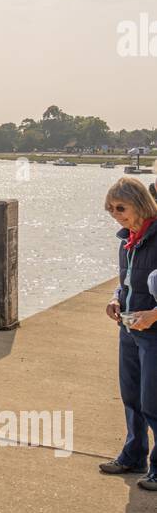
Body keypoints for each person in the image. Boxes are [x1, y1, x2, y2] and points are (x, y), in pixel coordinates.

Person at [101, 178, 157, 489]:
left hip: (153, 332)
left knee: (154, 401)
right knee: (132, 397)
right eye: (110, 209)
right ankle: (133, 455)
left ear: (139, 203)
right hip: (129, 329)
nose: (114, 213)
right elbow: (125, 282)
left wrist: (153, 315)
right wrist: (115, 298)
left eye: (120, 207)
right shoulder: (127, 240)